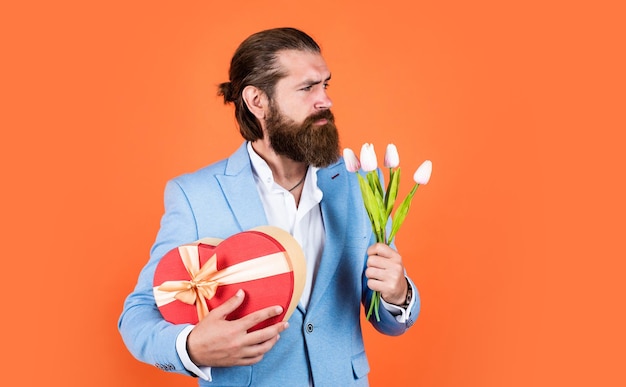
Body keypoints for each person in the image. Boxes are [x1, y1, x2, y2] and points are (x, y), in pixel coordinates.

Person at [118, 27, 420, 386]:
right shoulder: (195, 195)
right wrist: (192, 347)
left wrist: (398, 293)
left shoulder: (360, 184)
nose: (325, 100)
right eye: (308, 88)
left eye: (326, 85)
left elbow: (388, 317)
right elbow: (138, 314)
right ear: (257, 101)